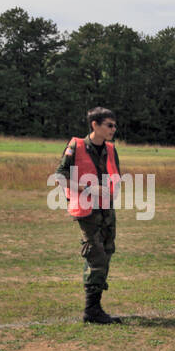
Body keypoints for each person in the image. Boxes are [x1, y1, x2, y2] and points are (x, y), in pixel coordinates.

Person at [56, 107, 123, 324]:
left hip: (106, 210)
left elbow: (116, 176)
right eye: (109, 125)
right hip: (86, 210)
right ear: (95, 125)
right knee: (97, 255)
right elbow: (60, 177)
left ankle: (94, 308)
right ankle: (91, 310)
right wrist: (88, 189)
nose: (114, 129)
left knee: (107, 252)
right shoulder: (76, 146)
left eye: (114, 125)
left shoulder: (111, 149)